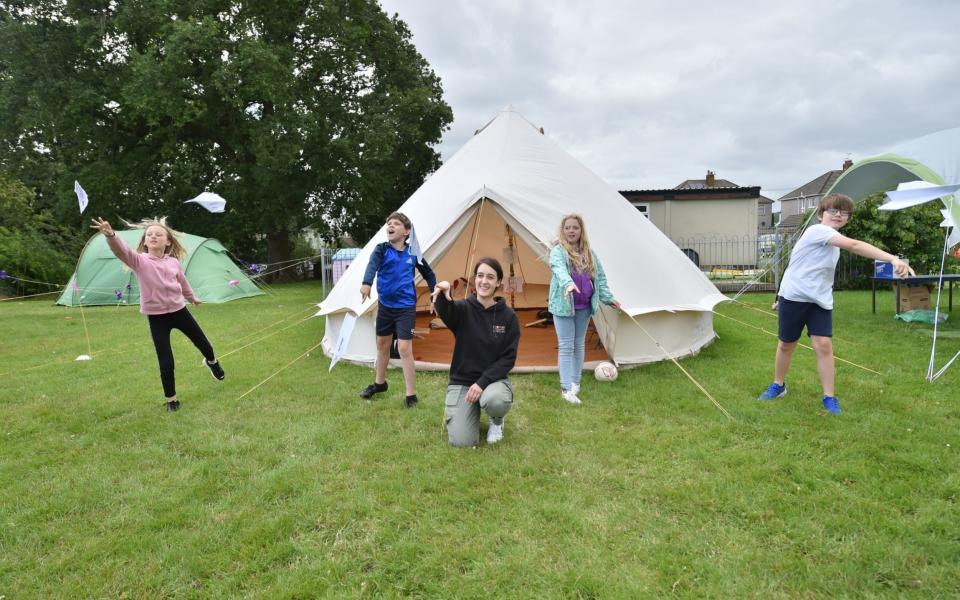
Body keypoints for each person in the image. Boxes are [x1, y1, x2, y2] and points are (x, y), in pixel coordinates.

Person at [758, 194, 914, 414]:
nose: (838, 215)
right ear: (821, 215)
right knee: (786, 344)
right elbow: (855, 245)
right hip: (794, 298)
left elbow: (794, 265)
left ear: (847, 219)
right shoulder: (816, 231)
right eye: (833, 211)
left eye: (844, 212)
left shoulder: (831, 242)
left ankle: (829, 398)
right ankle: (778, 385)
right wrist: (892, 258)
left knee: (823, 345)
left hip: (820, 301)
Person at [90, 217, 225, 412]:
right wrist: (111, 235)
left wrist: (192, 297)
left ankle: (212, 362)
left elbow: (183, 281)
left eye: (158, 234)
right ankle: (172, 399)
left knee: (204, 344)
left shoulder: (173, 263)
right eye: (149, 234)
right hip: (156, 318)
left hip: (180, 311)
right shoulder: (139, 261)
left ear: (168, 241)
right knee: (166, 360)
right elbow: (121, 251)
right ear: (145, 241)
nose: (153, 236)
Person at [431, 258, 520, 446]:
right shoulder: (463, 309)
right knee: (462, 442)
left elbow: (508, 358)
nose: (484, 281)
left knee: (495, 401)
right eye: (480, 276)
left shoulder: (509, 317)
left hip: (492, 382)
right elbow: (446, 310)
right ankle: (470, 412)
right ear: (474, 280)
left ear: (498, 283)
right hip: (462, 383)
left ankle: (496, 421)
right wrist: (443, 291)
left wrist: (481, 383)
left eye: (490, 277)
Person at [358, 212, 436, 408]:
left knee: (403, 348)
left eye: (395, 224)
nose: (390, 227)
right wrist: (367, 283)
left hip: (405, 309)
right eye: (388, 224)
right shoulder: (381, 249)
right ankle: (379, 383)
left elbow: (429, 274)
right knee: (382, 346)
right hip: (385, 307)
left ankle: (411, 395)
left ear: (406, 231)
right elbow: (372, 266)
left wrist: (435, 292)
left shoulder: (413, 253)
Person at [548, 214, 620, 405]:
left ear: (581, 231)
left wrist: (608, 298)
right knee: (566, 346)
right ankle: (565, 389)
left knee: (579, 344)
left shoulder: (589, 253)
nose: (571, 231)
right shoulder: (558, 252)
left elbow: (600, 278)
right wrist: (568, 284)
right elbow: (558, 269)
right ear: (562, 231)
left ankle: (575, 383)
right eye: (567, 228)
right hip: (563, 307)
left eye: (575, 227)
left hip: (584, 306)